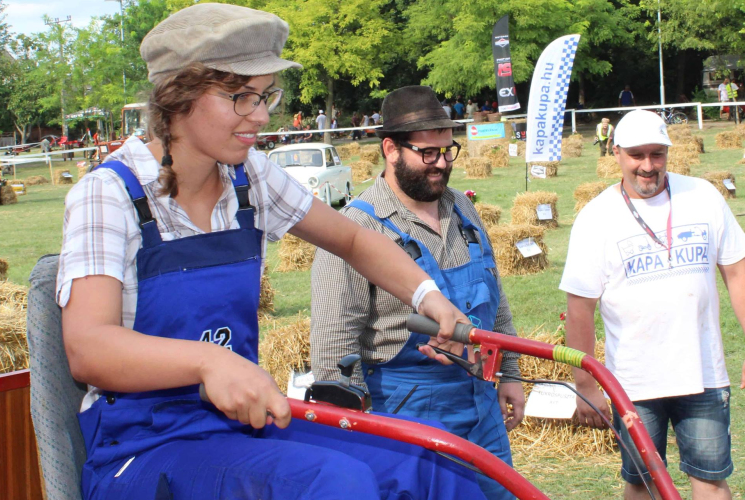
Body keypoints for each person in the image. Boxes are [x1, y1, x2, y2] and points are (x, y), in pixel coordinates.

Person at [57, 5, 490, 500]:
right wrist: (207, 362)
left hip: (242, 424)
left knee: (427, 463)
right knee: (335, 481)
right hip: (143, 446)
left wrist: (428, 297)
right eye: (241, 97)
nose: (261, 116)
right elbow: (87, 348)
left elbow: (350, 238)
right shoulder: (109, 195)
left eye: (265, 96)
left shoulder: (250, 176)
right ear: (177, 97)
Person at [311, 85, 525, 500]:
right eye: (428, 153)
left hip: (482, 408)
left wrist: (510, 373)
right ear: (390, 149)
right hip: (406, 415)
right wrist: (359, 434)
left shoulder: (462, 207)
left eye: (448, 151)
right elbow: (334, 348)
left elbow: (495, 300)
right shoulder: (354, 230)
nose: (442, 164)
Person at [560, 109, 745, 500]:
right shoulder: (596, 218)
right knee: (642, 482)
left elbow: (738, 274)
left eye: (657, 154)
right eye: (637, 155)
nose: (648, 166)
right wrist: (585, 384)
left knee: (711, 480)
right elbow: (580, 308)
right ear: (616, 152)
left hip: (704, 373)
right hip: (633, 382)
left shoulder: (703, 196)